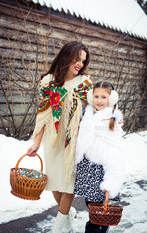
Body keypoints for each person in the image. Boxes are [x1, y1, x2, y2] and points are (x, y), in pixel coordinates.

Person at [26, 41, 93, 233]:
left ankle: (61, 226)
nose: (80, 64)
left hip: (73, 140)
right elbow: (43, 113)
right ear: (66, 56)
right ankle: (68, 212)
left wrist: (113, 118)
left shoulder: (84, 83)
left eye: (83, 60)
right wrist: (36, 143)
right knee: (54, 181)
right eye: (77, 59)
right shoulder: (48, 81)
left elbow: (98, 105)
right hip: (52, 138)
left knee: (68, 183)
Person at [74, 81, 125, 233]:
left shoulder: (112, 117)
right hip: (87, 167)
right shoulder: (87, 113)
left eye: (104, 97)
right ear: (91, 97)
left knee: (98, 209)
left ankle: (96, 229)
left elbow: (115, 148)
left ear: (112, 99)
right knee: (91, 205)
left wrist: (112, 178)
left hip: (102, 169)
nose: (99, 100)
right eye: (96, 96)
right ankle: (98, 227)